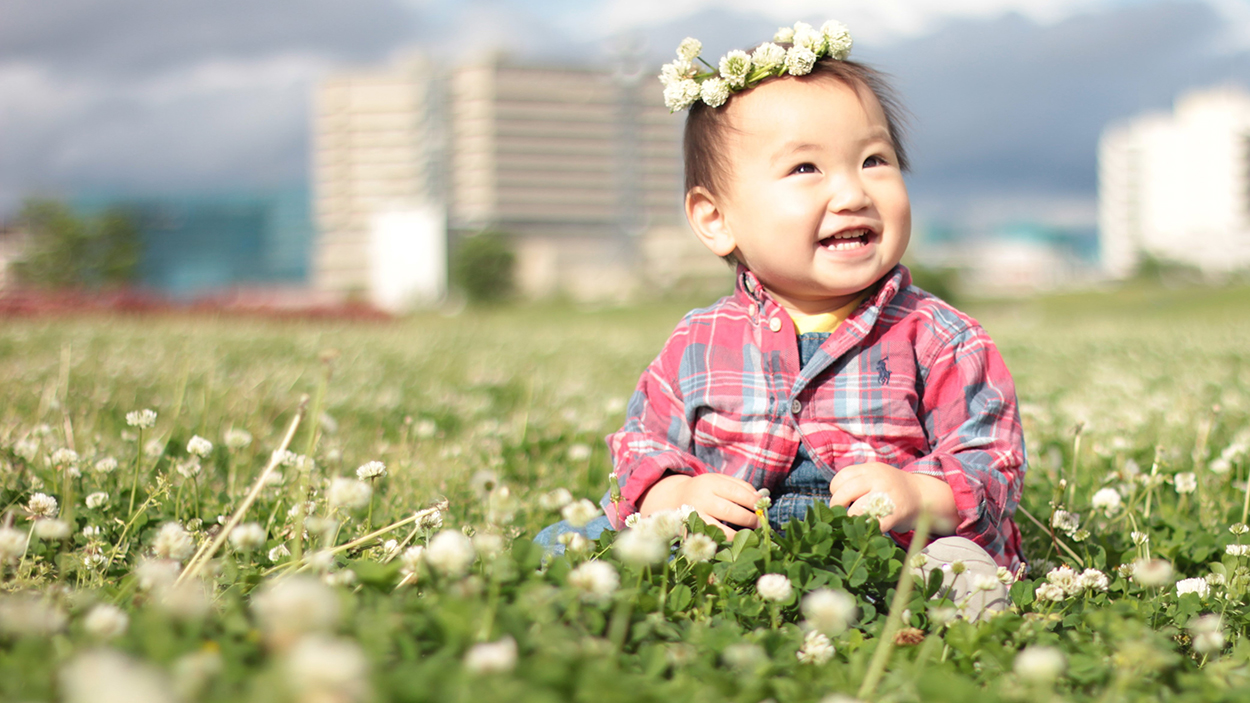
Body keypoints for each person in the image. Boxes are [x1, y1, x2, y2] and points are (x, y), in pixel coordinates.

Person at [537, 21, 1026, 615]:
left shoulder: (941, 337)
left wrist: (919, 494)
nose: (853, 194)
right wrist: (679, 493)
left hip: (887, 555)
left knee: (961, 574)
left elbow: (990, 460)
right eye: (805, 169)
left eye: (875, 160)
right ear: (717, 219)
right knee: (564, 545)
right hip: (728, 554)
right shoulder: (698, 341)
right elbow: (642, 447)